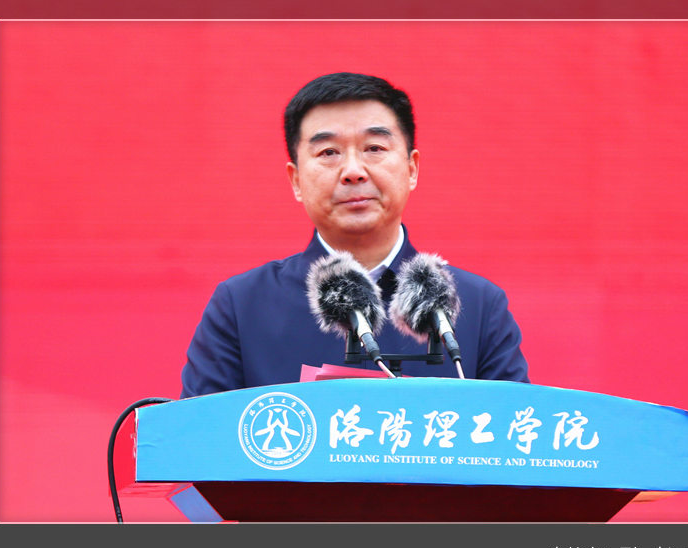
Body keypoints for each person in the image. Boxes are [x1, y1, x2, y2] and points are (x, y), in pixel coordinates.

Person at [180, 72, 528, 398]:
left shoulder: (479, 305)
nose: (353, 171)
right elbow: (197, 434)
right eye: (328, 152)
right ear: (296, 180)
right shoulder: (242, 305)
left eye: (374, 148)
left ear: (411, 169)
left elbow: (517, 434)